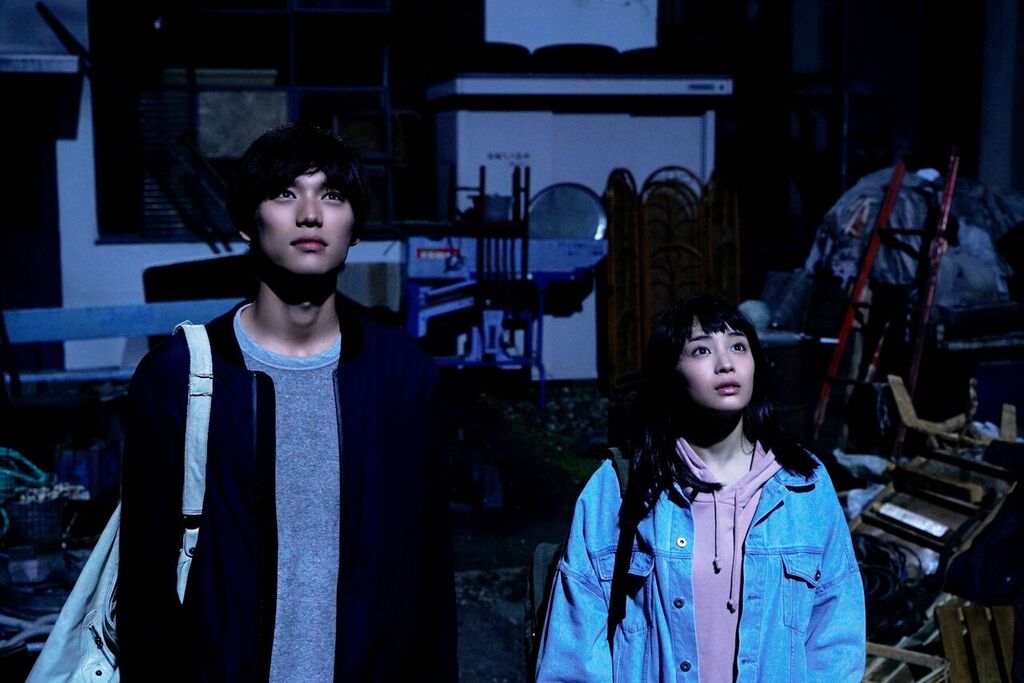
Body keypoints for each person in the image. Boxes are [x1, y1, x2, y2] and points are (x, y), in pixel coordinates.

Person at [118, 122, 457, 681]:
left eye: (333, 195)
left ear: (354, 228)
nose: (310, 214)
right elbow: (144, 583)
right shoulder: (177, 376)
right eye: (284, 193)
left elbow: (429, 578)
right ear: (247, 222)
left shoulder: (403, 377)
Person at [535, 294, 865, 681]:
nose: (726, 363)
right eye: (701, 350)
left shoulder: (804, 485)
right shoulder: (621, 487)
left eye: (738, 346)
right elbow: (573, 652)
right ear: (670, 373)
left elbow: (836, 635)